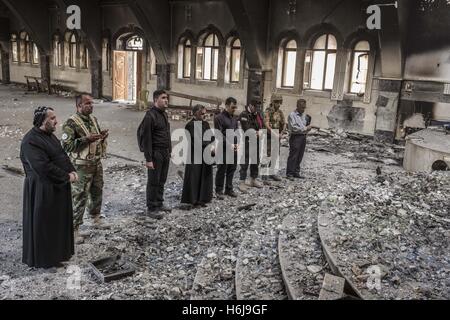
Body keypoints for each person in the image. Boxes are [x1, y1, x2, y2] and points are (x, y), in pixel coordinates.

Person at [20, 106, 78, 268]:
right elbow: (42, 167)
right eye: (52, 118)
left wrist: (71, 169)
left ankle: (59, 254)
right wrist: (66, 176)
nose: (56, 121)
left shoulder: (50, 136)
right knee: (45, 224)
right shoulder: (30, 141)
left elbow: (61, 156)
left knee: (57, 222)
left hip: (57, 185)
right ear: (42, 121)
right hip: (42, 189)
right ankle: (45, 259)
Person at [62, 94, 108, 243]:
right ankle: (74, 229)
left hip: (95, 163)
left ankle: (95, 218)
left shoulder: (93, 120)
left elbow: (95, 138)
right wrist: (86, 139)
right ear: (79, 106)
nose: (91, 106)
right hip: (81, 166)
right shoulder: (71, 123)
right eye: (87, 103)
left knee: (97, 191)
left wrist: (101, 136)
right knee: (79, 195)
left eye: (92, 103)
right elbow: (66, 146)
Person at [140, 90, 172, 218]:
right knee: (153, 180)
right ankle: (151, 208)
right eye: (163, 98)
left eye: (167, 98)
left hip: (164, 152)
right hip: (155, 153)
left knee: (162, 179)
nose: (166, 100)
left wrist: (169, 150)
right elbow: (146, 139)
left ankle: (159, 202)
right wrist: (148, 159)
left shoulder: (164, 114)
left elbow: (167, 133)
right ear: (155, 100)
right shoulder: (150, 116)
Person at [181, 105, 214, 207]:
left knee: (204, 176)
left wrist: (212, 145)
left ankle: (202, 199)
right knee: (194, 177)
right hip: (194, 155)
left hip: (205, 153)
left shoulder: (205, 124)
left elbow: (211, 137)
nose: (204, 116)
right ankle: (193, 200)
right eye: (202, 113)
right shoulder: (190, 125)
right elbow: (197, 141)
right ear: (195, 113)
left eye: (205, 113)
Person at [214, 97, 239, 198]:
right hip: (223, 148)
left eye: (235, 107)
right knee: (222, 169)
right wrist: (229, 144)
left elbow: (236, 131)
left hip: (233, 147)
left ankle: (229, 189)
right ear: (227, 105)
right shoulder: (219, 118)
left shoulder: (234, 118)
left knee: (232, 168)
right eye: (232, 107)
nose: (234, 109)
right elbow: (219, 134)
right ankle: (219, 190)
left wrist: (237, 143)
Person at [238, 99, 264, 193]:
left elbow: (261, 124)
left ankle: (253, 180)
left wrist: (260, 131)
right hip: (246, 142)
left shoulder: (257, 114)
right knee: (244, 162)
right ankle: (242, 182)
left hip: (256, 141)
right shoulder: (244, 115)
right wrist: (257, 132)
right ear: (250, 105)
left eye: (258, 107)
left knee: (255, 161)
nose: (257, 109)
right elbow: (247, 129)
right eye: (255, 107)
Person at [262, 94, 287, 184]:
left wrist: (281, 133)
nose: (278, 104)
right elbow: (266, 124)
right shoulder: (267, 111)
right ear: (272, 102)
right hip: (268, 137)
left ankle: (272, 173)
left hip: (277, 136)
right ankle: (264, 176)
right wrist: (274, 134)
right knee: (267, 156)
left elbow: (284, 123)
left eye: (279, 102)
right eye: (277, 102)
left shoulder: (280, 112)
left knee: (275, 156)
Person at [286, 99, 312, 179]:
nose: (303, 109)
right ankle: (289, 173)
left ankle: (296, 172)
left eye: (304, 108)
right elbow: (294, 128)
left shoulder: (303, 115)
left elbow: (303, 125)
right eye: (301, 107)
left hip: (302, 137)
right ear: (297, 106)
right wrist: (305, 128)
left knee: (300, 155)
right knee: (293, 155)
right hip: (295, 137)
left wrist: (306, 129)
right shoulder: (292, 115)